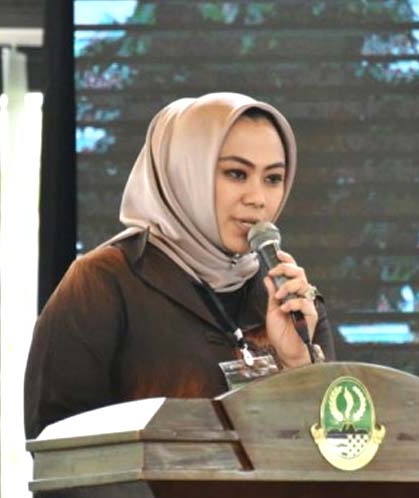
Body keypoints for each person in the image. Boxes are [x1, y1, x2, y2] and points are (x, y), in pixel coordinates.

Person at [24, 92, 335, 439]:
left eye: (273, 178)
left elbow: (334, 450)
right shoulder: (103, 283)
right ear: (183, 173)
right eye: (236, 173)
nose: (257, 198)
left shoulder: (291, 300)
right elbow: (56, 447)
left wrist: (297, 365)